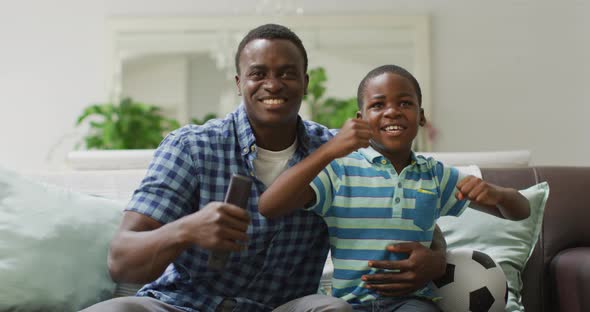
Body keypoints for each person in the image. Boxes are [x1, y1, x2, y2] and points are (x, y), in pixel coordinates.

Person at [82, 25, 452, 312]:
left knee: (334, 309)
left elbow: (413, 215)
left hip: (285, 306)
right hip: (181, 302)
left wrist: (437, 261)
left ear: (305, 83)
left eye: (288, 74)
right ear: (239, 83)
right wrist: (186, 229)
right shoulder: (190, 147)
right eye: (258, 74)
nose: (273, 84)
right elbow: (122, 261)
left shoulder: (339, 152)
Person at [258, 64, 530, 311]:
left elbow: (519, 211)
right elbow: (269, 205)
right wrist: (330, 150)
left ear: (421, 116)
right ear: (360, 118)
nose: (392, 111)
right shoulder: (341, 170)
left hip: (410, 303)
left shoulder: (435, 175)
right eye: (378, 105)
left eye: (405, 103)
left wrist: (498, 195)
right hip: (349, 303)